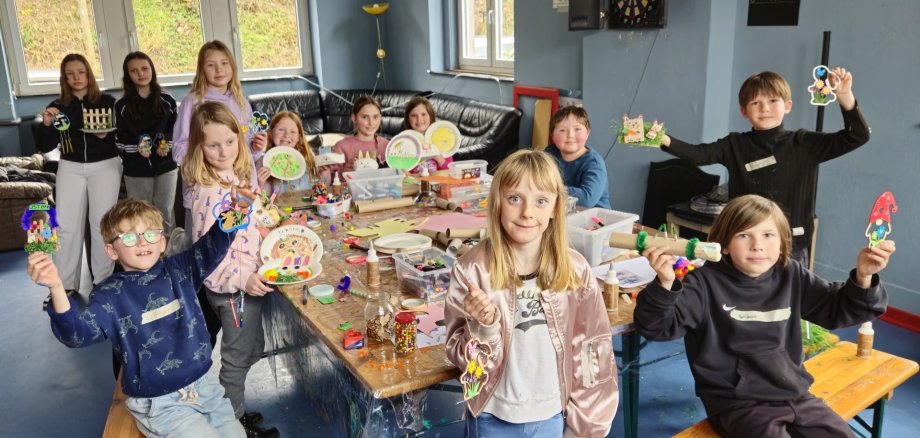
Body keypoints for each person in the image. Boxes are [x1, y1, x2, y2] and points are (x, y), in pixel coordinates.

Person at [635, 194, 895, 437]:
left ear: (782, 244)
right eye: (744, 235)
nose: (758, 246)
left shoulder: (791, 274)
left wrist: (864, 276)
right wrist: (665, 283)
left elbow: (839, 309)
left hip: (794, 393)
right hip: (737, 403)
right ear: (724, 245)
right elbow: (656, 327)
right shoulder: (703, 284)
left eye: (769, 234)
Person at [26, 198, 246, 437]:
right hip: (161, 403)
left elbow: (213, 245)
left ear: (162, 242)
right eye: (129, 237)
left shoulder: (181, 269)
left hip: (206, 386)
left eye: (150, 233)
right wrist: (57, 288)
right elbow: (77, 334)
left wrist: (237, 210)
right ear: (111, 250)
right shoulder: (109, 295)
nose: (142, 241)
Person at [444, 149, 618, 437]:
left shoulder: (575, 271)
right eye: (515, 199)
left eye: (540, 201)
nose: (527, 212)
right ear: (498, 203)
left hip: (551, 416)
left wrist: (584, 428)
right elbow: (464, 363)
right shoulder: (472, 271)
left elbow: (592, 352)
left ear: (554, 208)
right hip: (491, 416)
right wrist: (483, 329)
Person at [660, 68, 869, 264]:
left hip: (790, 246)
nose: (765, 108)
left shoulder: (804, 143)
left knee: (786, 300)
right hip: (744, 241)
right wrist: (661, 138)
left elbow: (858, 136)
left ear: (787, 106)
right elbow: (699, 155)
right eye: (755, 103)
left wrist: (844, 96)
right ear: (743, 111)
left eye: (772, 100)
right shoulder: (735, 144)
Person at [180, 101, 278, 438]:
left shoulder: (232, 178)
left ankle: (226, 408)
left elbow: (241, 229)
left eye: (230, 141)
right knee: (236, 361)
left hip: (248, 283)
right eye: (213, 144)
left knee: (253, 348)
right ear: (199, 147)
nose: (223, 151)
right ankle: (231, 424)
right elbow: (209, 254)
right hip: (233, 290)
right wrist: (242, 278)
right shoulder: (210, 194)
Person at [35, 54, 121, 294]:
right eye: (69, 74)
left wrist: (107, 135)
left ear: (88, 73)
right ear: (64, 78)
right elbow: (45, 146)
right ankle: (63, 287)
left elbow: (122, 135)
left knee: (101, 224)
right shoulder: (59, 106)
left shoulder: (108, 101)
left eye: (80, 72)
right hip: (70, 166)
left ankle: (103, 284)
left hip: (105, 165)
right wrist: (46, 123)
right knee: (66, 226)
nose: (76, 78)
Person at [172, 41, 267, 245]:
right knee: (203, 243)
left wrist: (257, 147)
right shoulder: (193, 102)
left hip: (242, 184)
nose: (219, 70)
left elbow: (249, 149)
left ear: (232, 66)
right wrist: (204, 163)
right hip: (208, 189)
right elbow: (179, 149)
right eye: (211, 65)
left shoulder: (242, 101)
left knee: (243, 237)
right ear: (201, 69)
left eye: (224, 63)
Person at [115, 52, 179, 233]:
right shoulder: (121, 106)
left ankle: (168, 256)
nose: (141, 74)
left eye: (144, 69)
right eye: (134, 71)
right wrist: (137, 147)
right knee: (141, 216)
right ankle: (146, 258)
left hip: (166, 167)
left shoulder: (167, 99)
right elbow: (119, 142)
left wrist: (166, 144)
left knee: (165, 213)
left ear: (152, 70)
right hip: (136, 170)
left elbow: (177, 132)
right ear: (128, 76)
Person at [544, 106, 611, 209]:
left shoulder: (594, 163)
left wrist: (551, 188)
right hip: (564, 214)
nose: (570, 135)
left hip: (594, 220)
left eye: (577, 129)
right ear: (552, 135)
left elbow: (587, 199)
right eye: (562, 130)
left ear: (587, 133)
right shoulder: (550, 153)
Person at [318, 95, 388, 181]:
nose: (371, 122)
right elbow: (329, 182)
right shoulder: (341, 147)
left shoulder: (388, 146)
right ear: (354, 118)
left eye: (375, 117)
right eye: (365, 117)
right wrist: (344, 173)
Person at [256, 111, 317, 195]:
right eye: (281, 130)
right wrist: (260, 183)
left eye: (293, 132)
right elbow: (263, 199)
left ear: (299, 137)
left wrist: (325, 174)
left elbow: (320, 185)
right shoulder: (263, 161)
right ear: (270, 133)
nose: (287, 135)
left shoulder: (307, 156)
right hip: (277, 207)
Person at [403, 96, 452, 174]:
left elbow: (450, 170)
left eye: (423, 114)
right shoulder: (404, 143)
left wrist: (435, 155)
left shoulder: (441, 141)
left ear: (431, 116)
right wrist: (404, 172)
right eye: (413, 115)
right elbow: (401, 170)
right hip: (414, 184)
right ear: (408, 119)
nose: (419, 119)